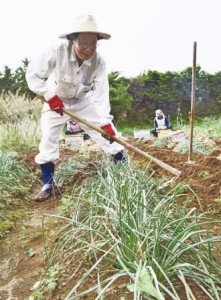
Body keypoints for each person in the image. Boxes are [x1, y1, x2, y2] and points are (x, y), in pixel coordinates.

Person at [26, 13, 126, 202]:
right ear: (73, 40)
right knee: (48, 139)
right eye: (83, 43)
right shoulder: (56, 51)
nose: (88, 49)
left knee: (109, 135)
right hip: (56, 101)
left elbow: (101, 93)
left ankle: (124, 172)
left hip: (83, 101)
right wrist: (49, 96)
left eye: (93, 44)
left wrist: (105, 121)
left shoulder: (99, 62)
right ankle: (47, 184)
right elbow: (33, 75)